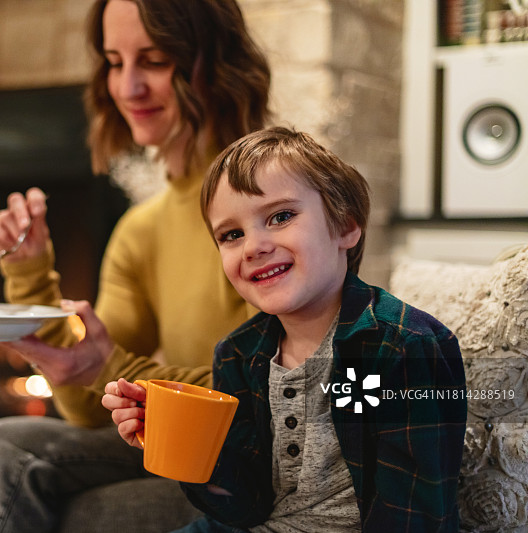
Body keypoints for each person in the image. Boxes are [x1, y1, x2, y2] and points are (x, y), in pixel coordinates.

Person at [0, 1, 272, 531]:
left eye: (154, 60)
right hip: (186, 447)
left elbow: (274, 388)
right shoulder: (141, 230)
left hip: (260, 463)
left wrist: (113, 370)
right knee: (11, 444)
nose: (127, 88)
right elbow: (86, 405)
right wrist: (31, 273)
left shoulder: (267, 206)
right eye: (115, 62)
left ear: (212, 63)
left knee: (80, 512)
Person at [104, 127, 468, 532]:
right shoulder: (239, 353)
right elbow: (244, 506)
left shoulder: (401, 347)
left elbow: (414, 519)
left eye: (281, 217)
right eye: (232, 235)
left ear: (345, 225)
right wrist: (184, 445)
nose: (253, 246)